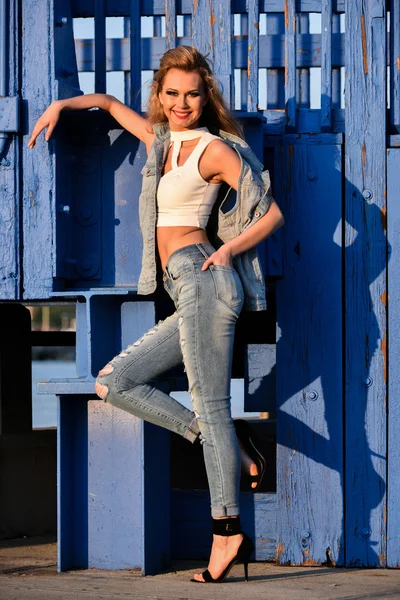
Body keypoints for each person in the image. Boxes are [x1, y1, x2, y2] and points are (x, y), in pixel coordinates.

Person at [28, 45, 284, 583]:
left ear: (204, 94)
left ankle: (226, 532)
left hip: (205, 280)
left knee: (211, 405)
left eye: (192, 93)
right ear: (161, 95)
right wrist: (63, 105)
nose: (182, 103)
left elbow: (272, 210)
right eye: (172, 94)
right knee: (115, 381)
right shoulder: (163, 141)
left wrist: (228, 251)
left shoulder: (213, 149)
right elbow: (109, 104)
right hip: (181, 287)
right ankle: (226, 446)